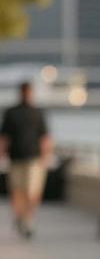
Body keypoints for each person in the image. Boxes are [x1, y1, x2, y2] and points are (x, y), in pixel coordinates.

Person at [1, 80, 52, 239]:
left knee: (31, 192)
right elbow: (4, 137)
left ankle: (27, 219)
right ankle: (20, 218)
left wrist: (46, 157)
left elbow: (45, 137)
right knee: (17, 191)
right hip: (15, 159)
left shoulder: (37, 113)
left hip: (33, 159)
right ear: (21, 92)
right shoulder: (11, 112)